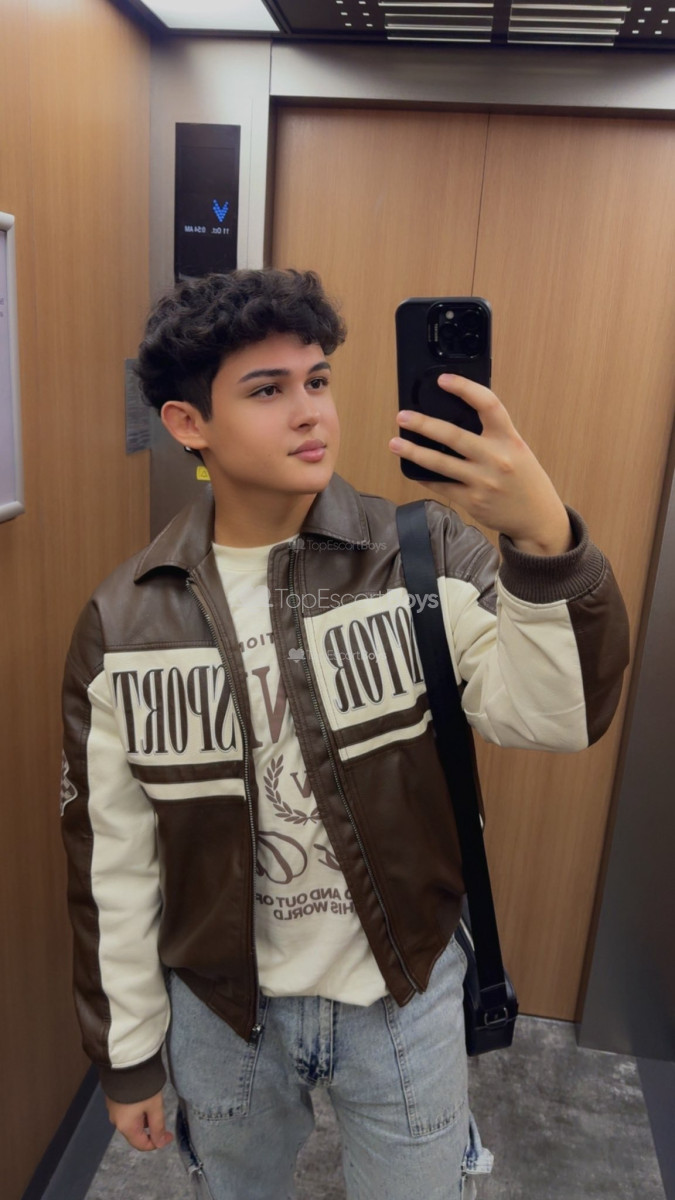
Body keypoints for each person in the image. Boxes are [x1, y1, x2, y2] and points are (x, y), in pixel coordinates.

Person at [60, 269, 629, 1200]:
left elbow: (557, 715)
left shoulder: (419, 556)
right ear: (188, 423)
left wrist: (543, 539)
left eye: (317, 380)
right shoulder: (126, 622)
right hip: (222, 1007)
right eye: (267, 390)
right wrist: (126, 1056)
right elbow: (112, 864)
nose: (309, 412)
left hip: (403, 990)